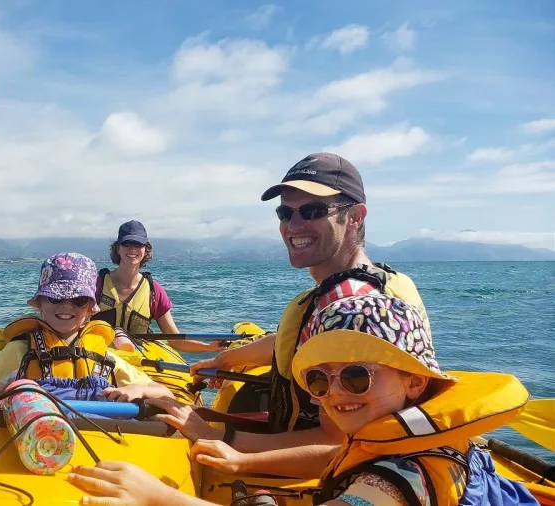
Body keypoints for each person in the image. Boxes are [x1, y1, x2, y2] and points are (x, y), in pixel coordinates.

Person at [67, 294, 537, 506]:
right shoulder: (415, 439)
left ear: (415, 382)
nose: (334, 393)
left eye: (356, 377)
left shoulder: (398, 480)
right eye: (317, 380)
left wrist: (159, 498)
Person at [148, 153, 432, 478]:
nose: (293, 226)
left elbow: (340, 445)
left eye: (312, 211)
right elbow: (294, 343)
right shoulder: (367, 285)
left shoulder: (352, 308)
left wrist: (216, 436)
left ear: (355, 217)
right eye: (285, 212)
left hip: (336, 479)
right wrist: (225, 360)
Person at [0, 252, 174, 402]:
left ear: (91, 308)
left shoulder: (105, 356)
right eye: (55, 297)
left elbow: (163, 392)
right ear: (39, 303)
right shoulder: (19, 353)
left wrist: (137, 390)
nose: (66, 307)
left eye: (78, 300)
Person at [96, 220, 221, 353]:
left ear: (146, 249)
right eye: (127, 243)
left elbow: (175, 340)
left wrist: (210, 347)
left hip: (136, 361)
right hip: (100, 357)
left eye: (138, 244)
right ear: (117, 249)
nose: (132, 249)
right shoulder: (98, 284)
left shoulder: (154, 291)